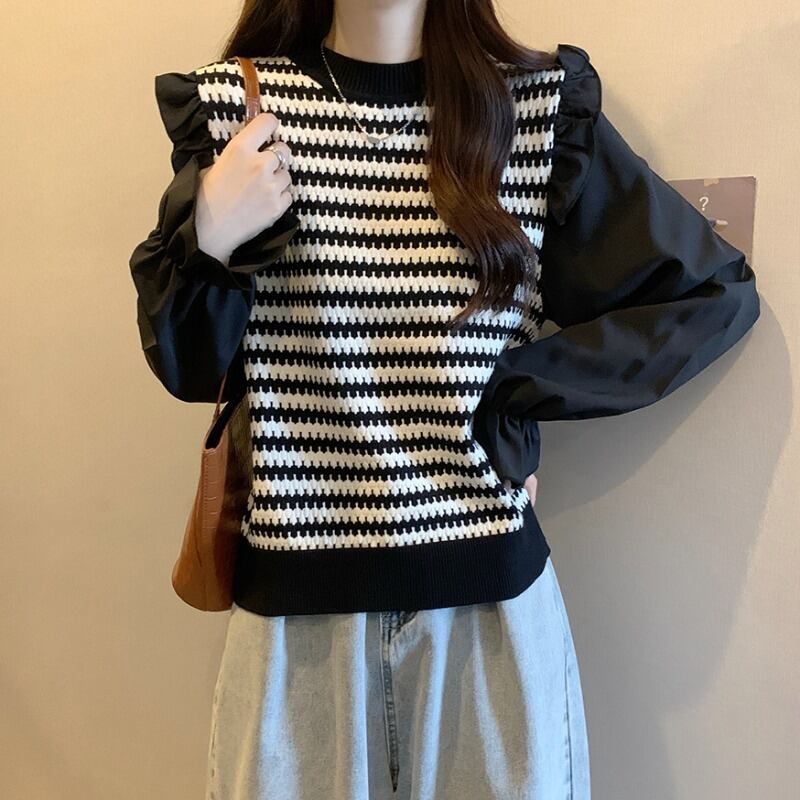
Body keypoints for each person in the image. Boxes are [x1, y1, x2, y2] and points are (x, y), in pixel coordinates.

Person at [128, 2, 760, 798]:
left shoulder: (532, 115)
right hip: (294, 633)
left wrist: (511, 396)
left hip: (490, 620)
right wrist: (210, 237)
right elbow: (189, 368)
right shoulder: (234, 113)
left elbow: (708, 295)